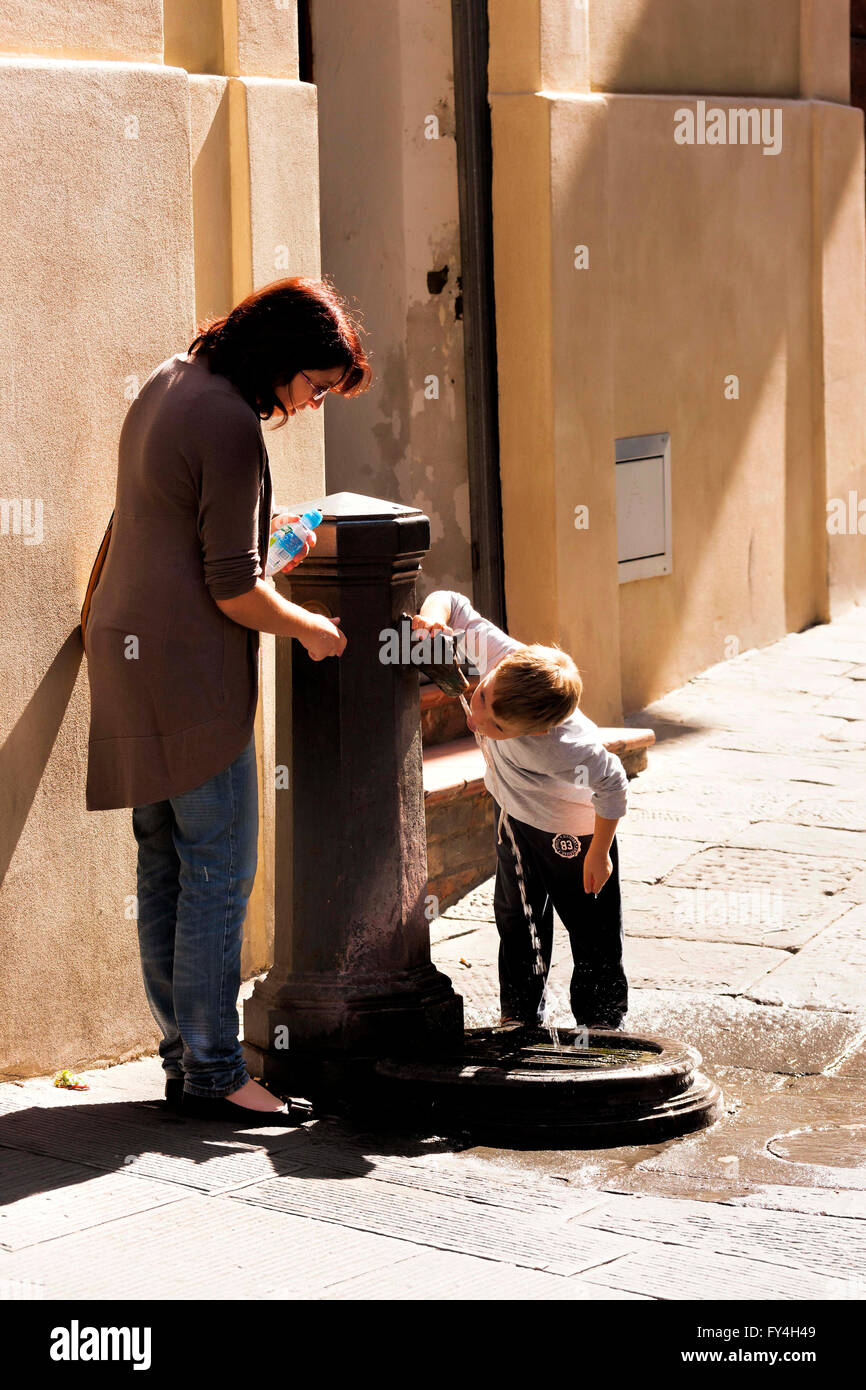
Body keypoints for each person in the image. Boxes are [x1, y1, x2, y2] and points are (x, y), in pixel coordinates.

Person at [84, 277, 370, 1122]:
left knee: (165, 862)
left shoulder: (172, 379)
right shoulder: (231, 423)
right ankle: (214, 1072)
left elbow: (165, 528)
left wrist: (265, 548)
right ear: (281, 359)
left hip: (129, 651)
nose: (312, 405)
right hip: (187, 671)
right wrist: (312, 627)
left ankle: (185, 1055)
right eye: (315, 387)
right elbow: (232, 590)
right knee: (217, 871)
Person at [413, 591, 629, 1031]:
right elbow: (451, 602)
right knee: (516, 917)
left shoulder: (565, 745)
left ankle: (604, 1025)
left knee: (592, 931)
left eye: (496, 727)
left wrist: (599, 852)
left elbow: (613, 784)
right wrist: (432, 619)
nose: (475, 721)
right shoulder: (501, 660)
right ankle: (520, 1016)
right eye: (482, 699)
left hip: (575, 834)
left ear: (539, 730)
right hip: (514, 815)